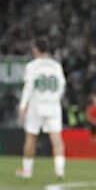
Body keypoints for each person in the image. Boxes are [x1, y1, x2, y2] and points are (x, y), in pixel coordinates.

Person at [16, 38, 67, 180]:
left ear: (36, 49)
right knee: (56, 139)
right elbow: (62, 85)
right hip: (53, 106)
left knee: (31, 137)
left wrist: (22, 106)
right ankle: (60, 171)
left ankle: (27, 171)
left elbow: (29, 87)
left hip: (36, 105)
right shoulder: (56, 66)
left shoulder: (32, 66)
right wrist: (54, 99)